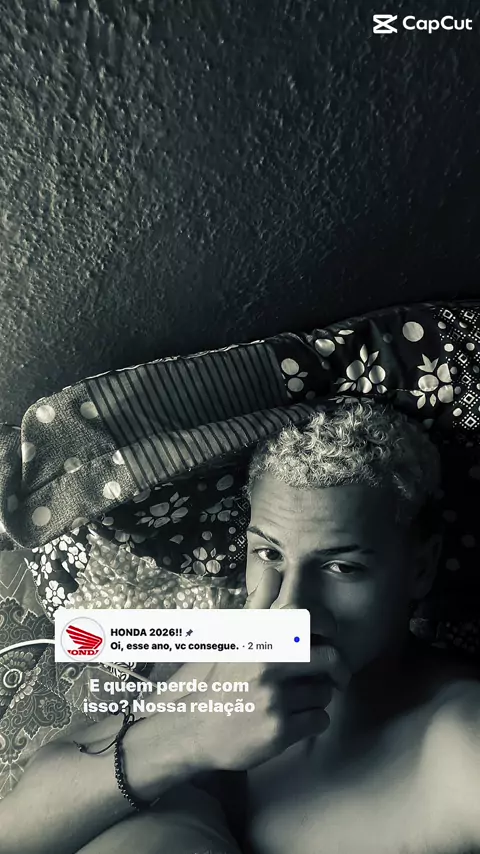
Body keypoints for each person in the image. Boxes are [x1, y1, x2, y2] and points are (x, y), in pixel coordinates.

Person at [1, 400, 480, 854]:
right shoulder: (235, 662)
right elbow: (16, 830)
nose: (291, 606)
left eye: (342, 567)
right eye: (269, 553)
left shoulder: (459, 745)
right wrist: (193, 735)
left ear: (421, 567)